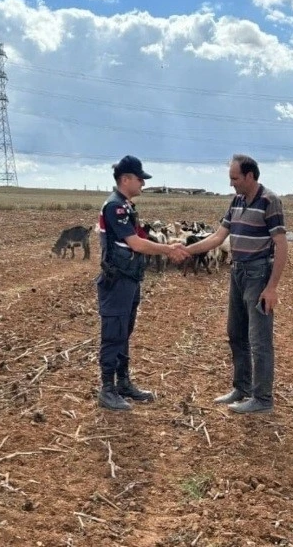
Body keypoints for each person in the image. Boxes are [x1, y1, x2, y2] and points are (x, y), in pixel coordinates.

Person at [185, 154, 288, 414]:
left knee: (259, 339)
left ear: (250, 176)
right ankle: (242, 389)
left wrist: (272, 287)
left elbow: (281, 245)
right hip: (238, 273)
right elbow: (219, 236)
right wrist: (187, 250)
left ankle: (263, 399)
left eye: (235, 178)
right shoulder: (237, 200)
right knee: (236, 333)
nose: (231, 183)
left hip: (258, 275)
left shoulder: (270, 201)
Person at [96, 155, 190, 411]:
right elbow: (136, 244)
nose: (143, 185)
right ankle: (107, 389)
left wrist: (168, 246)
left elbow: (138, 239)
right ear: (125, 179)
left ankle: (123, 383)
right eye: (140, 179)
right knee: (113, 332)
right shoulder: (115, 207)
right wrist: (168, 249)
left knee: (124, 331)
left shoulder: (125, 206)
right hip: (117, 281)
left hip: (129, 278)